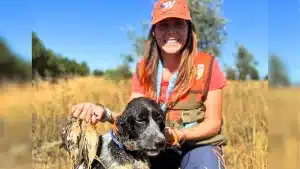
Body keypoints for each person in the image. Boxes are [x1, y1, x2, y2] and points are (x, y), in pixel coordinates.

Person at [71, 0, 227, 168]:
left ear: (189, 29)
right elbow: (131, 118)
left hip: (196, 146)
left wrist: (177, 135)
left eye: (179, 24)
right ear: (154, 32)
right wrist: (104, 113)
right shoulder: (143, 68)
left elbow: (213, 124)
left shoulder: (207, 64)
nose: (171, 31)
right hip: (156, 145)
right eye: (164, 25)